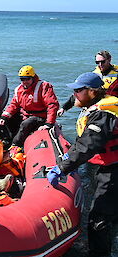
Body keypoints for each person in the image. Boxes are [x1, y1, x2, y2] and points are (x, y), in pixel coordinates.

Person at [46, 72, 118, 257]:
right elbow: (82, 142)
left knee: (98, 219)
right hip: (107, 166)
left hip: (113, 169)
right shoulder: (95, 108)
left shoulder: (104, 114)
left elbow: (89, 144)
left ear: (92, 92)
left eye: (78, 90)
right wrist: (66, 161)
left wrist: (62, 168)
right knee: (110, 211)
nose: (74, 95)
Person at [0, 65, 59, 148]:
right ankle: (6, 140)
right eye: (22, 79)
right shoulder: (19, 89)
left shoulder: (43, 87)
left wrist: (49, 123)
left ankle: (15, 145)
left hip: (40, 116)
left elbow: (52, 105)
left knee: (26, 124)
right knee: (7, 121)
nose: (25, 81)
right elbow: (14, 104)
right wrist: (5, 116)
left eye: (27, 79)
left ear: (33, 77)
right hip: (25, 115)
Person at [57, 50, 118, 117]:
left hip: (111, 109)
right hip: (94, 108)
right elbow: (79, 92)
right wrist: (64, 108)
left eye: (103, 62)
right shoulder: (94, 75)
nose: (100, 65)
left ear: (109, 60)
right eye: (97, 62)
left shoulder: (116, 75)